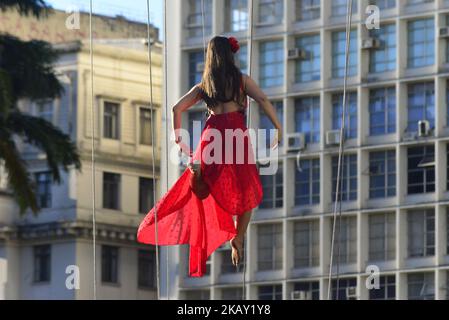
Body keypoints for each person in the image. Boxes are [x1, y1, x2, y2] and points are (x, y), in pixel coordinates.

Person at [137, 36, 283, 277]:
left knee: (204, 188)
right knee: (249, 190)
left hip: (212, 139)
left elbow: (176, 108)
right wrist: (278, 127)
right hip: (235, 137)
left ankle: (199, 177)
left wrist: (177, 137)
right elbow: (263, 100)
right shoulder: (242, 81)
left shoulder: (204, 86)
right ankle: (238, 236)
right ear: (230, 55)